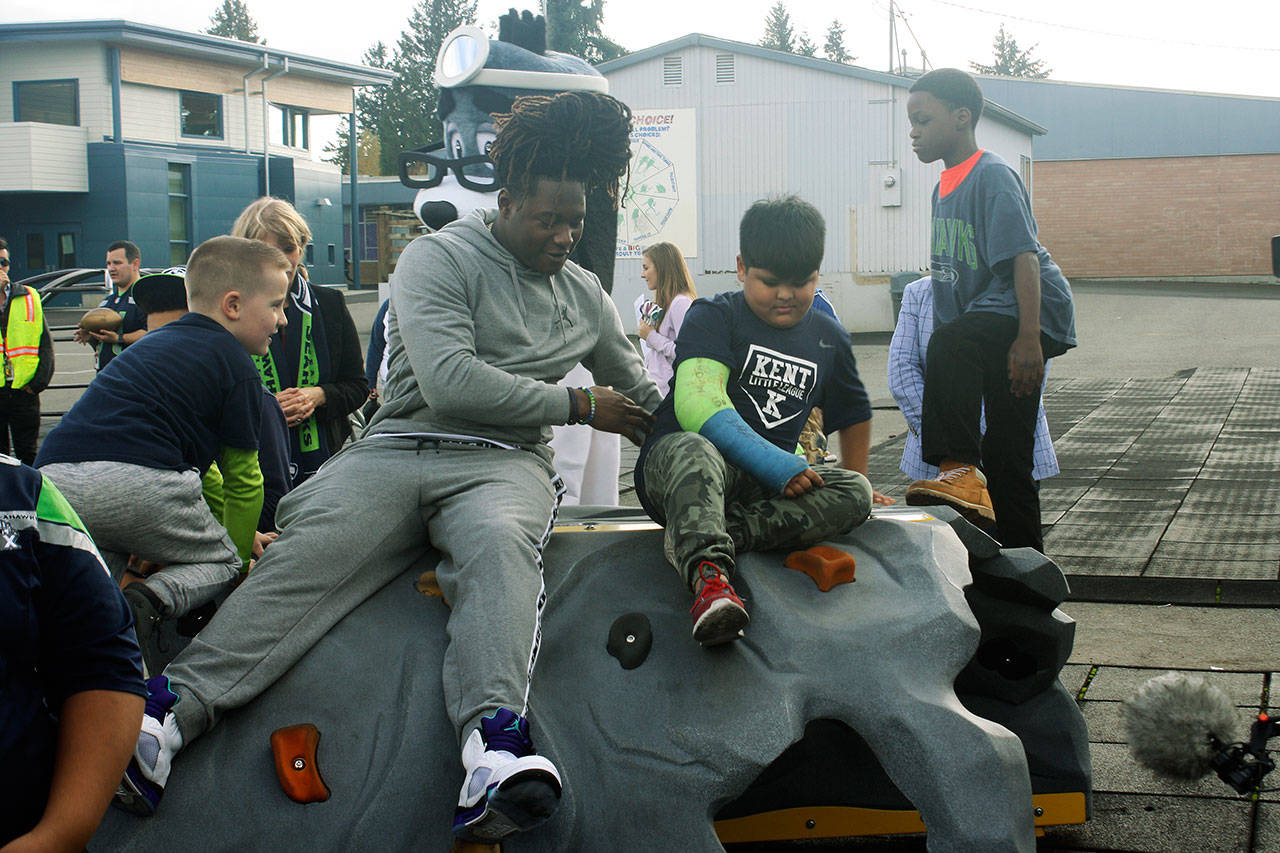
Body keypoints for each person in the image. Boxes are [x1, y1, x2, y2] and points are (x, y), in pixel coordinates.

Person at [114, 91, 660, 844]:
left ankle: (493, 745)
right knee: (310, 553)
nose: (566, 235)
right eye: (549, 219)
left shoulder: (586, 295)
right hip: (399, 444)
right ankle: (165, 715)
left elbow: (640, 393)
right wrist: (576, 404)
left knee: (502, 546)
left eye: (577, 220)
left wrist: (715, 434)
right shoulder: (440, 256)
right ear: (506, 202)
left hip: (503, 465)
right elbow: (449, 379)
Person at [36, 237, 291, 676]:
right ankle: (152, 602)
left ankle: (70, 672)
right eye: (275, 305)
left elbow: (203, 473)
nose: (281, 320)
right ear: (233, 305)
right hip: (140, 482)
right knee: (222, 561)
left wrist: (229, 530)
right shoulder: (237, 367)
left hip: (54, 480)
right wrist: (239, 549)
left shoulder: (150, 348)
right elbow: (243, 481)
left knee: (88, 585)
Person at [635, 196, 877, 647]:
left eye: (801, 282)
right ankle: (711, 581)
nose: (786, 295)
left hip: (761, 483)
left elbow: (855, 413)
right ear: (743, 267)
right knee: (695, 447)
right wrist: (777, 464)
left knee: (854, 492)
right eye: (770, 282)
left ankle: (711, 531)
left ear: (817, 275)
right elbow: (697, 405)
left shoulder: (828, 337)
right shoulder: (714, 315)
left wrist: (856, 480)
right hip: (682, 469)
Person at [902, 68, 1076, 551]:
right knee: (1009, 455)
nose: (913, 131)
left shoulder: (993, 174)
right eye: (910, 121)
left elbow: (1023, 257)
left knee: (951, 343)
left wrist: (1029, 338)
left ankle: (957, 468)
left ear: (961, 118)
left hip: (1029, 310)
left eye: (923, 119)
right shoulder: (942, 190)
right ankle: (1028, 570)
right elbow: (952, 285)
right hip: (992, 314)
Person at [0, 456, 146, 849]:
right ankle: (150, 598)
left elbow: (102, 661)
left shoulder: (20, 493)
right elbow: (241, 479)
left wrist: (57, 836)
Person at [129, 269, 292, 537]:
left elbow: (270, 501)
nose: (161, 348)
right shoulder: (139, 392)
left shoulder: (252, 398)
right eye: (152, 337)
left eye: (175, 332)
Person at [888, 275, 1059, 520]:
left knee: (1015, 543)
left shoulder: (1024, 292)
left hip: (1008, 446)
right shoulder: (919, 292)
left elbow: (1031, 373)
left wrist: (983, 441)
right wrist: (951, 438)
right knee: (947, 549)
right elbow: (902, 371)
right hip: (941, 462)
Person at [231, 198, 368, 484]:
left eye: (290, 248)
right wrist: (267, 409)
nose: (283, 260)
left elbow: (357, 386)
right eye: (270, 251)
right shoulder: (231, 311)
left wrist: (317, 395)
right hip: (251, 468)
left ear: (302, 247)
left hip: (324, 468)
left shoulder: (329, 305)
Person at [0, 237, 54, 465]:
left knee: (28, 454)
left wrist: (37, 384)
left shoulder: (29, 297)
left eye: (3, 262)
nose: (0, 268)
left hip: (24, 390)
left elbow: (45, 344)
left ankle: (31, 498)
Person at [636, 242, 696, 396]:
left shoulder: (680, 304)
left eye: (646, 268)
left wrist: (650, 336)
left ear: (662, 269)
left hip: (669, 396)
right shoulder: (668, 302)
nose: (642, 275)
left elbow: (687, 352)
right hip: (658, 391)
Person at [76, 241, 147, 371]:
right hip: (105, 373)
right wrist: (91, 335)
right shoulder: (107, 301)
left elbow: (153, 333)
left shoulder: (144, 296)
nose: (111, 268)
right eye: (108, 263)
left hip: (131, 374)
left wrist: (119, 338)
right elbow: (102, 344)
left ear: (135, 264)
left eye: (117, 263)